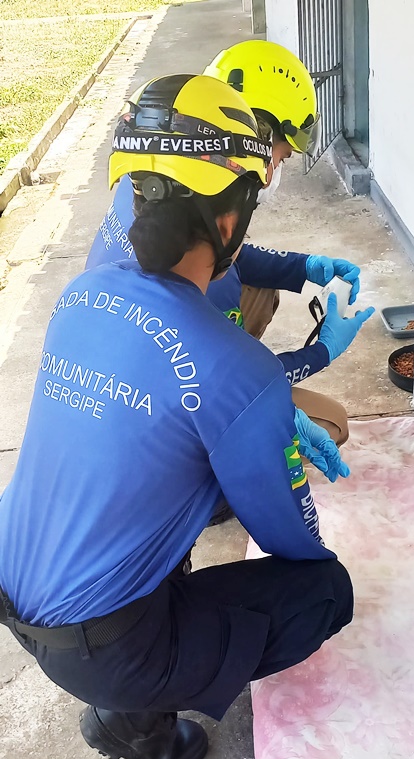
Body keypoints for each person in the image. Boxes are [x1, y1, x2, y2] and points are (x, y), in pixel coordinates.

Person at [0, 74, 363, 759]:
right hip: (104, 650)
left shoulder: (81, 294)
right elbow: (295, 542)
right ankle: (135, 722)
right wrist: (278, 444)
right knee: (324, 592)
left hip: (15, 592)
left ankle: (127, 680)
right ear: (229, 221)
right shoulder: (238, 368)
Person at [86, 40, 366, 452]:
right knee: (331, 424)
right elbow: (227, 377)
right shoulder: (202, 280)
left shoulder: (150, 178)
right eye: (281, 157)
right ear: (254, 137)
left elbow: (223, 255)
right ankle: (211, 480)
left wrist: (303, 267)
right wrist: (323, 351)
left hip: (122, 362)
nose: (275, 172)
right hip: (156, 408)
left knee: (261, 293)